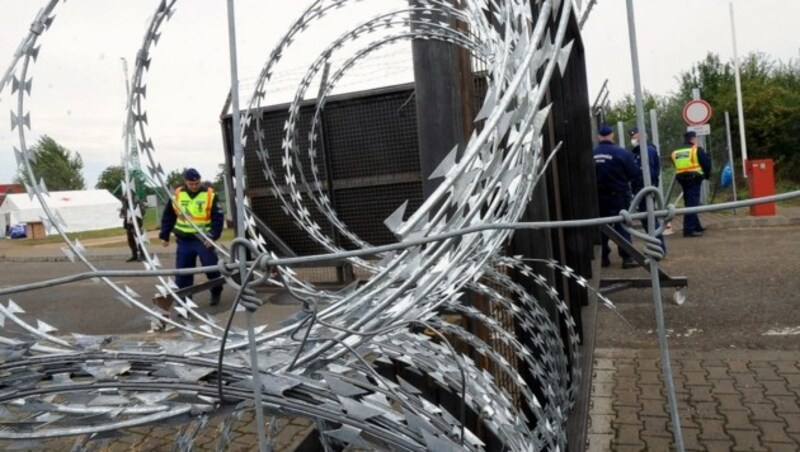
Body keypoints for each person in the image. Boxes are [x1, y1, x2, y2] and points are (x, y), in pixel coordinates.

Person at [159, 168, 224, 306]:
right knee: (183, 272)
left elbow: (218, 218)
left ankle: (216, 290)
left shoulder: (210, 195)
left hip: (203, 240)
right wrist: (164, 235)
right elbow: (168, 216)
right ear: (185, 182)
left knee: (211, 268)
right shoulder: (177, 195)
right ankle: (184, 303)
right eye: (191, 184)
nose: (194, 186)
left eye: (197, 183)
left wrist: (212, 236)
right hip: (184, 240)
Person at [594, 124, 639, 269]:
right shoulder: (622, 153)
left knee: (601, 227)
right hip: (618, 196)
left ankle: (602, 258)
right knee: (622, 226)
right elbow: (634, 173)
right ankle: (627, 258)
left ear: (599, 137)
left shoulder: (591, 154)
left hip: (598, 197)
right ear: (612, 136)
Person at [630, 128, 666, 254]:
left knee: (649, 218)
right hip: (641, 188)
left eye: (635, 135)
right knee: (646, 219)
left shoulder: (648, 150)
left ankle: (659, 247)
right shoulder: (639, 151)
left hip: (645, 189)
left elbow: (649, 171)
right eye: (633, 136)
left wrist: (645, 187)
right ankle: (655, 245)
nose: (634, 138)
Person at [671, 131, 712, 237]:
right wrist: (706, 176)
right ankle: (688, 229)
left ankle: (696, 225)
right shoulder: (696, 150)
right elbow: (707, 164)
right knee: (692, 203)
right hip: (694, 178)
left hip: (681, 179)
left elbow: (675, 163)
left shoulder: (676, 152)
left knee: (689, 202)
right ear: (693, 139)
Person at [121, 195, 145, 262]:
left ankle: (142, 255)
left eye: (127, 195)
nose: (126, 196)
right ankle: (134, 255)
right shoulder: (125, 203)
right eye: (125, 195)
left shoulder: (137, 202)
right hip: (128, 225)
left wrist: (135, 217)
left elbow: (142, 211)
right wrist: (123, 214)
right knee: (131, 241)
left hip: (136, 224)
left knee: (139, 240)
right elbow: (123, 211)